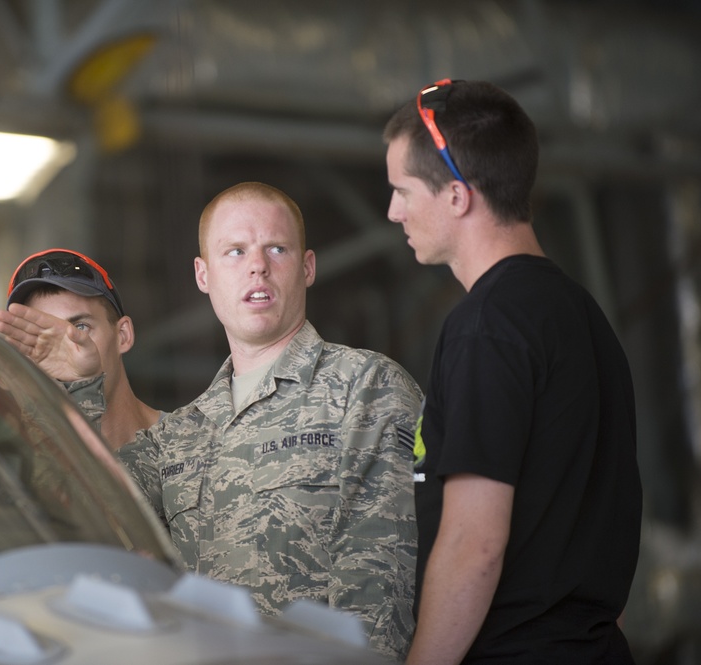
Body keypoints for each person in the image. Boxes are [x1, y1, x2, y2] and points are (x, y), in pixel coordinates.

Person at [64, 182, 422, 660]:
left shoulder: (365, 387)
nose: (258, 265)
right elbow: (90, 520)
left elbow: (379, 582)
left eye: (276, 248)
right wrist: (79, 381)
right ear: (203, 275)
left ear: (308, 267)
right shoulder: (179, 434)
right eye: (234, 251)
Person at [384, 79, 642, 664]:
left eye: (402, 190)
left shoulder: (487, 326)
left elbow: (474, 543)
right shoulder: (583, 316)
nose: (393, 210)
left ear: (456, 195)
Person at [0, 248, 161, 449]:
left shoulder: (193, 444)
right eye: (40, 336)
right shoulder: (16, 467)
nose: (62, 351)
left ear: (123, 336)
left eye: (80, 328)